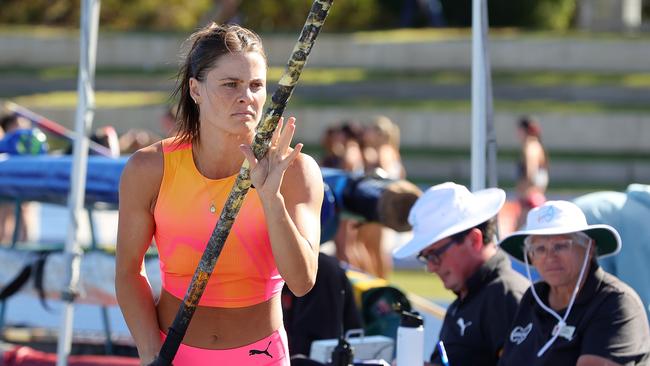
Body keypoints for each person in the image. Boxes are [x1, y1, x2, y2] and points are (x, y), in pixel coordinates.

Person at [115, 23, 323, 366]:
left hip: (261, 356)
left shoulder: (295, 170)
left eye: (256, 85)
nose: (247, 97)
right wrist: (151, 352)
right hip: (172, 353)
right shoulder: (149, 168)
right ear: (195, 90)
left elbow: (301, 282)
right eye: (231, 85)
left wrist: (272, 200)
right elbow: (127, 271)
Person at [498, 200, 650, 365]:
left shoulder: (616, 302)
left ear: (589, 248)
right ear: (530, 256)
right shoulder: (533, 298)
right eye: (540, 249)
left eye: (561, 246)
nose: (550, 257)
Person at [393, 182, 528, 366]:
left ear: (474, 240)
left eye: (434, 254)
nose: (431, 267)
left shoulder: (505, 296)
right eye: (426, 257)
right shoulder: (470, 297)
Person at [574, 184, 650, 322]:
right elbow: (638, 301)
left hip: (539, 256)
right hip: (536, 262)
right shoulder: (643, 225)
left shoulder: (639, 210)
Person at [515, 116, 549, 229]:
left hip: (529, 199)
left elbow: (531, 173)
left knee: (520, 232)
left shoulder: (531, 147)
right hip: (534, 197)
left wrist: (524, 195)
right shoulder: (537, 146)